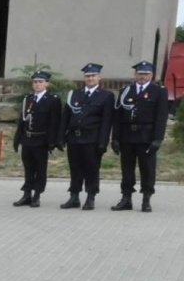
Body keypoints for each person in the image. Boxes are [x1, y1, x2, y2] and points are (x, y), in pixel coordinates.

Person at [112, 61, 168, 212]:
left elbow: (161, 117)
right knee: (127, 170)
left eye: (146, 74)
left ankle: (146, 199)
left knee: (147, 169)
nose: (143, 76)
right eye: (140, 73)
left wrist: (158, 138)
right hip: (127, 136)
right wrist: (115, 138)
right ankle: (126, 198)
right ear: (135, 74)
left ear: (151, 75)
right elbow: (117, 116)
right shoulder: (125, 91)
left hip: (146, 137)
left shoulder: (159, 92)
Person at [61, 63, 115, 210]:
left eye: (93, 75)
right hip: (74, 138)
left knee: (91, 169)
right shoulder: (75, 94)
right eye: (87, 76)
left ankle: (91, 197)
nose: (90, 78)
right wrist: (61, 137)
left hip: (92, 139)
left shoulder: (106, 96)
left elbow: (106, 121)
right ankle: (74, 196)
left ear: (99, 77)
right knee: (75, 169)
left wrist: (103, 142)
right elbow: (66, 116)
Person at [12, 69, 62, 207]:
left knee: (40, 169)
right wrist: (17, 139)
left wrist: (52, 141)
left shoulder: (52, 100)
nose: (37, 84)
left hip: (41, 140)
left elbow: (54, 122)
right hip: (27, 139)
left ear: (47, 84)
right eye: (35, 82)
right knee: (28, 168)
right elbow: (22, 121)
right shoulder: (27, 99)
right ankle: (26, 194)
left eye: (40, 82)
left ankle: (37, 195)